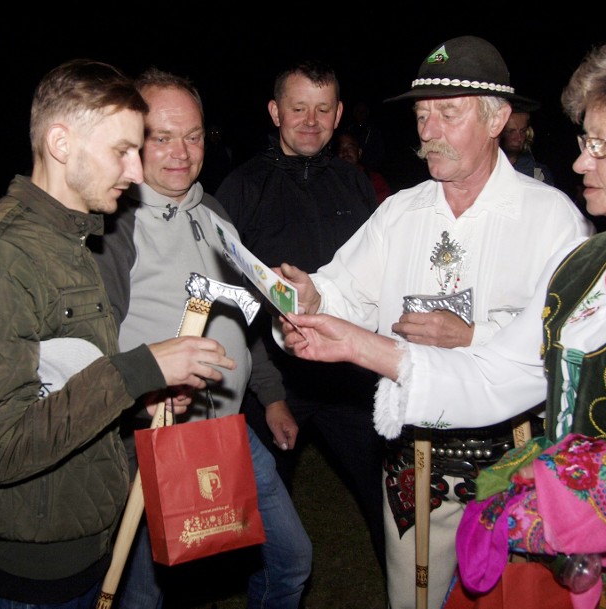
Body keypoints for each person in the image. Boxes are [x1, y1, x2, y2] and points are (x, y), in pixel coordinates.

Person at [281, 22, 606, 609]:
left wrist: (589, 493)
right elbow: (498, 376)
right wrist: (353, 342)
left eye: (604, 144)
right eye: (586, 140)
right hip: (565, 566)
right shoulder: (591, 265)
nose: (580, 161)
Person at [270, 36, 595, 609]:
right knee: (412, 598)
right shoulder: (401, 212)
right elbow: (346, 290)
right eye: (422, 115)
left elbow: (567, 343)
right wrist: (308, 299)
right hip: (413, 463)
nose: (427, 130)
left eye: (448, 112)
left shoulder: (550, 218)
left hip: (513, 467)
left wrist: (473, 336)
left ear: (497, 119)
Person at [0, 59, 238, 609]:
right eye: (122, 151)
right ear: (62, 143)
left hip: (86, 552)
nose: (137, 171)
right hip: (27, 580)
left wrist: (145, 396)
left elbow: (65, 385)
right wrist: (141, 368)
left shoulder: (73, 244)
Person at [90, 67, 311, 609]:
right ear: (132, 141)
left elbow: (238, 315)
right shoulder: (114, 225)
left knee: (291, 559)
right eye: (161, 137)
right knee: (143, 593)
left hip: (229, 430)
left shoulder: (213, 213)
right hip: (153, 440)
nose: (181, 153)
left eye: (192, 136)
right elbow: (90, 344)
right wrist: (140, 396)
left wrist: (273, 394)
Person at [214, 59, 386, 574]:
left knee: (387, 507)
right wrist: (264, 392)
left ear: (337, 118)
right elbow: (225, 296)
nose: (310, 121)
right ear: (275, 112)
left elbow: (377, 280)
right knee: (262, 522)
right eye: (297, 108)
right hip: (277, 384)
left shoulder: (356, 186)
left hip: (352, 383)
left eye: (323, 109)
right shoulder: (241, 188)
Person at [500, 106, 556, 186]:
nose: (518, 138)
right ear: (497, 130)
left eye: (523, 131)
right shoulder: (483, 170)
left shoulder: (539, 174)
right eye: (510, 131)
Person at [336, 130, 392, 203]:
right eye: (341, 149)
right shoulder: (330, 180)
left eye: (350, 147)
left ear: (359, 152)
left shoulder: (374, 179)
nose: (345, 152)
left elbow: (385, 204)